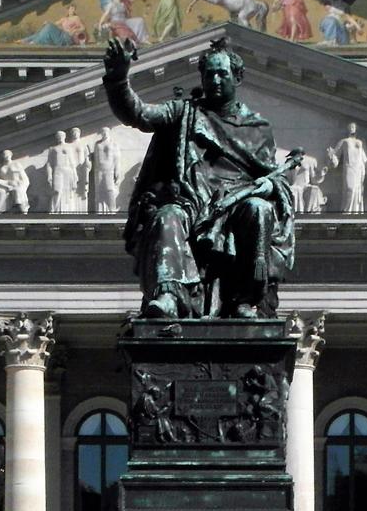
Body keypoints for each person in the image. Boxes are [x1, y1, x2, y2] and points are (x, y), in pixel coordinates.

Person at [104, 36, 298, 320]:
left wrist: (270, 185)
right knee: (167, 215)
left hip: (237, 207)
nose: (215, 80)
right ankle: (170, 296)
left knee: (260, 210)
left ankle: (245, 298)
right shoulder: (183, 112)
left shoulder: (257, 129)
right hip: (192, 204)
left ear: (238, 77)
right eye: (209, 74)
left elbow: (274, 178)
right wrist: (119, 79)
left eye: (222, 73)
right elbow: (138, 114)